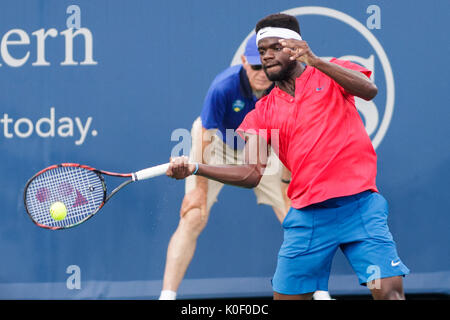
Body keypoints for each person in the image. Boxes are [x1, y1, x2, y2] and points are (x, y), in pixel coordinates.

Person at [166, 13, 410, 300]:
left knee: (389, 295)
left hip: (360, 209)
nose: (266, 56)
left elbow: (369, 90)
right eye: (261, 51)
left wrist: (316, 61)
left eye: (274, 48)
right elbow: (251, 174)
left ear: (295, 48)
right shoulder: (262, 112)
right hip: (307, 220)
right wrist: (196, 167)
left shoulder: (331, 73)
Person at [160, 33, 309, 300]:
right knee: (193, 215)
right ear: (243, 61)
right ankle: (167, 296)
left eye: (265, 66)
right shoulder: (223, 87)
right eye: (254, 66)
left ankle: (318, 291)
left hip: (266, 144)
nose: (261, 73)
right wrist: (199, 189)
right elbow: (205, 136)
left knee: (293, 217)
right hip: (217, 145)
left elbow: (292, 134)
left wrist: (287, 181)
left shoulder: (284, 86)